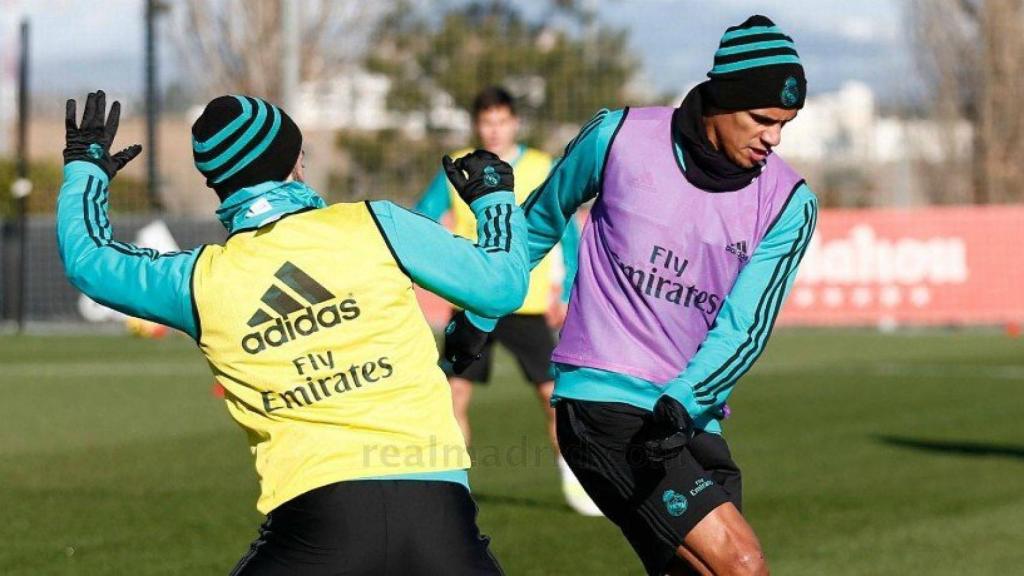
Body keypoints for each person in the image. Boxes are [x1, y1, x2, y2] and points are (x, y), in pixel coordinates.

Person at [57, 91, 530, 575]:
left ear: (215, 183)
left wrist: (86, 171)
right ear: (294, 162)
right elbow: (502, 286)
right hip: (440, 519)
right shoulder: (375, 223)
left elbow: (89, 260)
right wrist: (493, 199)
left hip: (317, 526)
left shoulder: (198, 281)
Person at [447, 15, 818, 576]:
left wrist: (685, 405)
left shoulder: (789, 203)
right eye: (762, 119)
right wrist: (479, 310)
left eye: (785, 124)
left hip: (689, 417)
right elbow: (537, 225)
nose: (774, 138)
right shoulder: (616, 136)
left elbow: (746, 327)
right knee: (742, 564)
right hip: (603, 403)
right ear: (721, 98)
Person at [415, 86, 597, 516]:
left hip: (524, 302)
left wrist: (566, 291)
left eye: (501, 121)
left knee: (553, 397)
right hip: (472, 300)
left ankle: (575, 478)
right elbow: (421, 218)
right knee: (453, 396)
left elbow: (566, 234)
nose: (493, 130)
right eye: (486, 122)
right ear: (477, 125)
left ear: (514, 123)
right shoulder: (458, 166)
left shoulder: (541, 165)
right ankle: (451, 486)